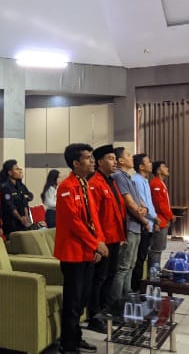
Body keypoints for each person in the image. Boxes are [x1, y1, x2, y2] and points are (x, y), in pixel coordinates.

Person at [54, 143, 107, 354]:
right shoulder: (66, 187)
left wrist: (98, 245)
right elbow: (74, 223)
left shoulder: (84, 184)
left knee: (83, 299)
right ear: (76, 163)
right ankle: (68, 345)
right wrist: (96, 244)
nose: (92, 161)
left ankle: (77, 338)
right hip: (73, 253)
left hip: (87, 251)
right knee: (73, 301)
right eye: (87, 157)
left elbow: (94, 218)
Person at [86, 144, 126, 333]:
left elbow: (116, 211)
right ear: (100, 162)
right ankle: (94, 317)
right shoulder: (94, 183)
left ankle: (106, 311)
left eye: (115, 158)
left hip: (114, 238)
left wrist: (121, 235)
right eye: (111, 158)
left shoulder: (110, 181)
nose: (115, 162)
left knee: (110, 276)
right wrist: (97, 243)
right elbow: (92, 217)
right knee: (99, 279)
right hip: (103, 241)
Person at [110, 147, 148, 301]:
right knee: (123, 267)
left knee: (131, 265)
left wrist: (143, 210)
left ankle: (127, 296)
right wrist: (142, 216)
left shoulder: (129, 177)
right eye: (128, 155)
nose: (131, 158)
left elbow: (140, 203)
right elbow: (130, 204)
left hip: (136, 226)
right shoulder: (118, 176)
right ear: (120, 161)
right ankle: (117, 301)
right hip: (129, 227)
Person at [131, 154, 158, 290]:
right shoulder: (136, 180)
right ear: (141, 166)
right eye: (148, 162)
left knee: (143, 258)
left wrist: (154, 219)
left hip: (150, 223)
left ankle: (140, 287)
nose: (151, 164)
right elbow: (142, 205)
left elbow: (149, 204)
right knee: (139, 259)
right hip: (143, 224)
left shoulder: (145, 180)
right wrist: (154, 219)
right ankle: (135, 290)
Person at [0, 159, 34, 236]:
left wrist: (26, 217)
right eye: (16, 169)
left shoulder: (20, 185)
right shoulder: (5, 187)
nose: (19, 171)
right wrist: (20, 218)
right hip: (12, 222)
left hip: (23, 221)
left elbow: (25, 200)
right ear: (10, 173)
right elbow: (10, 205)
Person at [150, 161, 174, 267]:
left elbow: (165, 203)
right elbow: (159, 205)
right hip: (159, 220)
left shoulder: (161, 183)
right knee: (156, 249)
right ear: (159, 170)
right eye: (164, 167)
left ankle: (156, 270)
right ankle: (154, 273)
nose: (167, 168)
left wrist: (168, 217)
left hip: (164, 219)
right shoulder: (156, 184)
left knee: (160, 248)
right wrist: (170, 216)